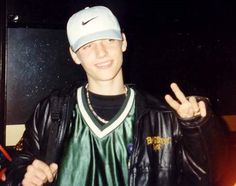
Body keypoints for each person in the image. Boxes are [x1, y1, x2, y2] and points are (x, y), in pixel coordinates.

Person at [5, 5, 227, 186]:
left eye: (109, 40)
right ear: (74, 55)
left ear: (123, 41)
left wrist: (196, 126)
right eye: (88, 45)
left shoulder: (163, 115)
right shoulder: (51, 110)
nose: (101, 52)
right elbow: (20, 162)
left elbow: (209, 176)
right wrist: (25, 174)